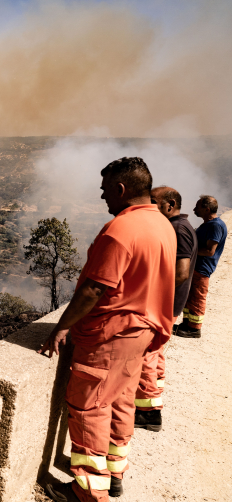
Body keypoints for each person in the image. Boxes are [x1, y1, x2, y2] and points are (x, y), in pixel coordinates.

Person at [40, 157, 176, 502]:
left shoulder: (119, 230)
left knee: (89, 406)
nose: (102, 198)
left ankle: (87, 491)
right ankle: (114, 473)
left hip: (109, 335)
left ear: (120, 189)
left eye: (105, 191)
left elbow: (94, 289)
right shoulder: (162, 224)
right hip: (142, 333)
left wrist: (61, 327)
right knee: (120, 400)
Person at [133, 187, 198, 433]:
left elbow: (180, 273)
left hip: (163, 306)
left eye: (153, 202)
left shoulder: (177, 229)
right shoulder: (182, 227)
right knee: (157, 353)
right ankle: (154, 397)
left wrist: (150, 294)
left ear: (169, 205)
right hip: (169, 307)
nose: (149, 207)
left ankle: (149, 413)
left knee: (147, 355)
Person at [175, 195, 227, 338]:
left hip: (202, 268)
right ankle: (186, 324)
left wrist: (188, 252)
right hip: (196, 266)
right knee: (189, 296)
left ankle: (194, 329)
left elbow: (210, 251)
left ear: (207, 209)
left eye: (197, 207)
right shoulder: (208, 224)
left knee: (197, 298)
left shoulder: (215, 226)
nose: (194, 209)